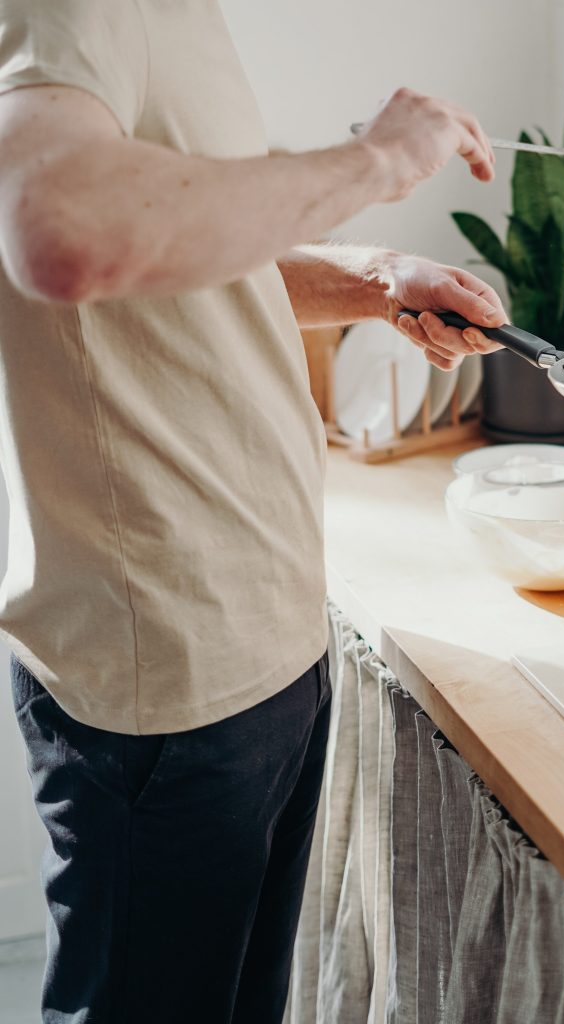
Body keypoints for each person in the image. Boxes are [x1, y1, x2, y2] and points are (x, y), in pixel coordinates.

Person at [0, 1, 508, 1021]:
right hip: (169, 669)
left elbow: (188, 250)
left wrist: (372, 281)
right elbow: (56, 225)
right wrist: (376, 159)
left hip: (258, 639)